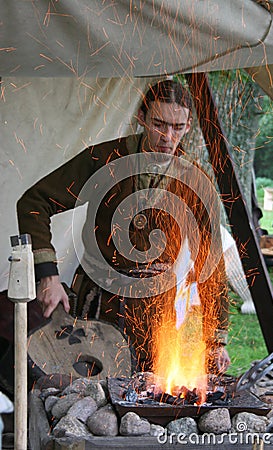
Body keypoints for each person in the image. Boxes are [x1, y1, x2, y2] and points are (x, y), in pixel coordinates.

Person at [17, 79, 230, 374]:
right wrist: (47, 277)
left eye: (177, 127)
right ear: (141, 118)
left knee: (149, 399)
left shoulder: (195, 181)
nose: (167, 136)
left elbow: (212, 263)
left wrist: (216, 340)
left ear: (189, 125)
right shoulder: (105, 159)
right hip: (98, 307)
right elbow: (34, 202)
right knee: (89, 401)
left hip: (157, 319)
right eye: (159, 124)